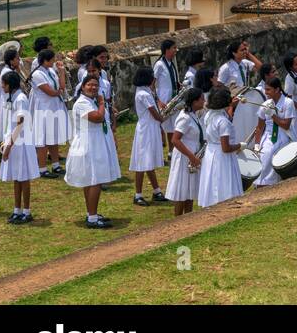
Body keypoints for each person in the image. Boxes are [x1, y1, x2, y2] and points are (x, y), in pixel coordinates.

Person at [65, 72, 120, 228]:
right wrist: (102, 103)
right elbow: (97, 117)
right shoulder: (83, 103)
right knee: (95, 179)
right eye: (89, 84)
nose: (93, 87)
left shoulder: (92, 101)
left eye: (96, 85)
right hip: (89, 145)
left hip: (97, 142)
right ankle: (93, 218)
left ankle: (92, 213)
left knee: (91, 179)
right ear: (82, 87)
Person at [0, 68, 39, 224]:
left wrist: (9, 145)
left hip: (19, 142)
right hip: (14, 141)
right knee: (17, 177)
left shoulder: (20, 98)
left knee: (24, 178)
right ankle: (17, 210)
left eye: (3, 84)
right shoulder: (11, 97)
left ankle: (27, 211)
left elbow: (21, 123)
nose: (2, 86)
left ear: (9, 84)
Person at [198, 86, 244, 208]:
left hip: (211, 152)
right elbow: (226, 148)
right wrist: (240, 146)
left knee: (213, 180)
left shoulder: (209, 115)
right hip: (222, 156)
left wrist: (231, 107)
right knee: (223, 181)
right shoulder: (223, 122)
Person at [128, 67, 167, 205]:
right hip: (146, 130)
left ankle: (156, 190)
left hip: (150, 128)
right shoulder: (143, 94)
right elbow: (154, 113)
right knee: (142, 163)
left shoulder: (146, 91)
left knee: (148, 161)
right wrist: (163, 118)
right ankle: (138, 194)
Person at [29, 44, 68, 178]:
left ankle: (56, 165)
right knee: (43, 139)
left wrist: (62, 72)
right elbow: (50, 92)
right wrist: (59, 92)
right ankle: (42, 168)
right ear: (45, 61)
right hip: (43, 109)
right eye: (51, 60)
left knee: (53, 137)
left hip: (54, 107)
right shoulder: (37, 74)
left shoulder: (50, 71)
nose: (54, 62)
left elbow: (61, 86)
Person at [165, 88, 205, 215]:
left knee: (190, 191)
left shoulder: (193, 115)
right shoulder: (185, 117)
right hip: (184, 157)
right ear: (194, 101)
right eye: (201, 99)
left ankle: (188, 219)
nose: (204, 101)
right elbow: (175, 140)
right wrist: (191, 156)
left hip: (192, 157)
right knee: (181, 191)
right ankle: (177, 221)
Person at [252, 77, 296, 187]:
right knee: (265, 156)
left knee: (279, 157)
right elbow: (259, 127)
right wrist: (257, 144)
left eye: (268, 90)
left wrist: (272, 115)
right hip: (268, 136)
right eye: (265, 89)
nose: (266, 92)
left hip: (284, 135)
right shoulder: (265, 104)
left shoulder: (288, 103)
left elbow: (286, 125)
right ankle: (262, 185)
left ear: (277, 90)